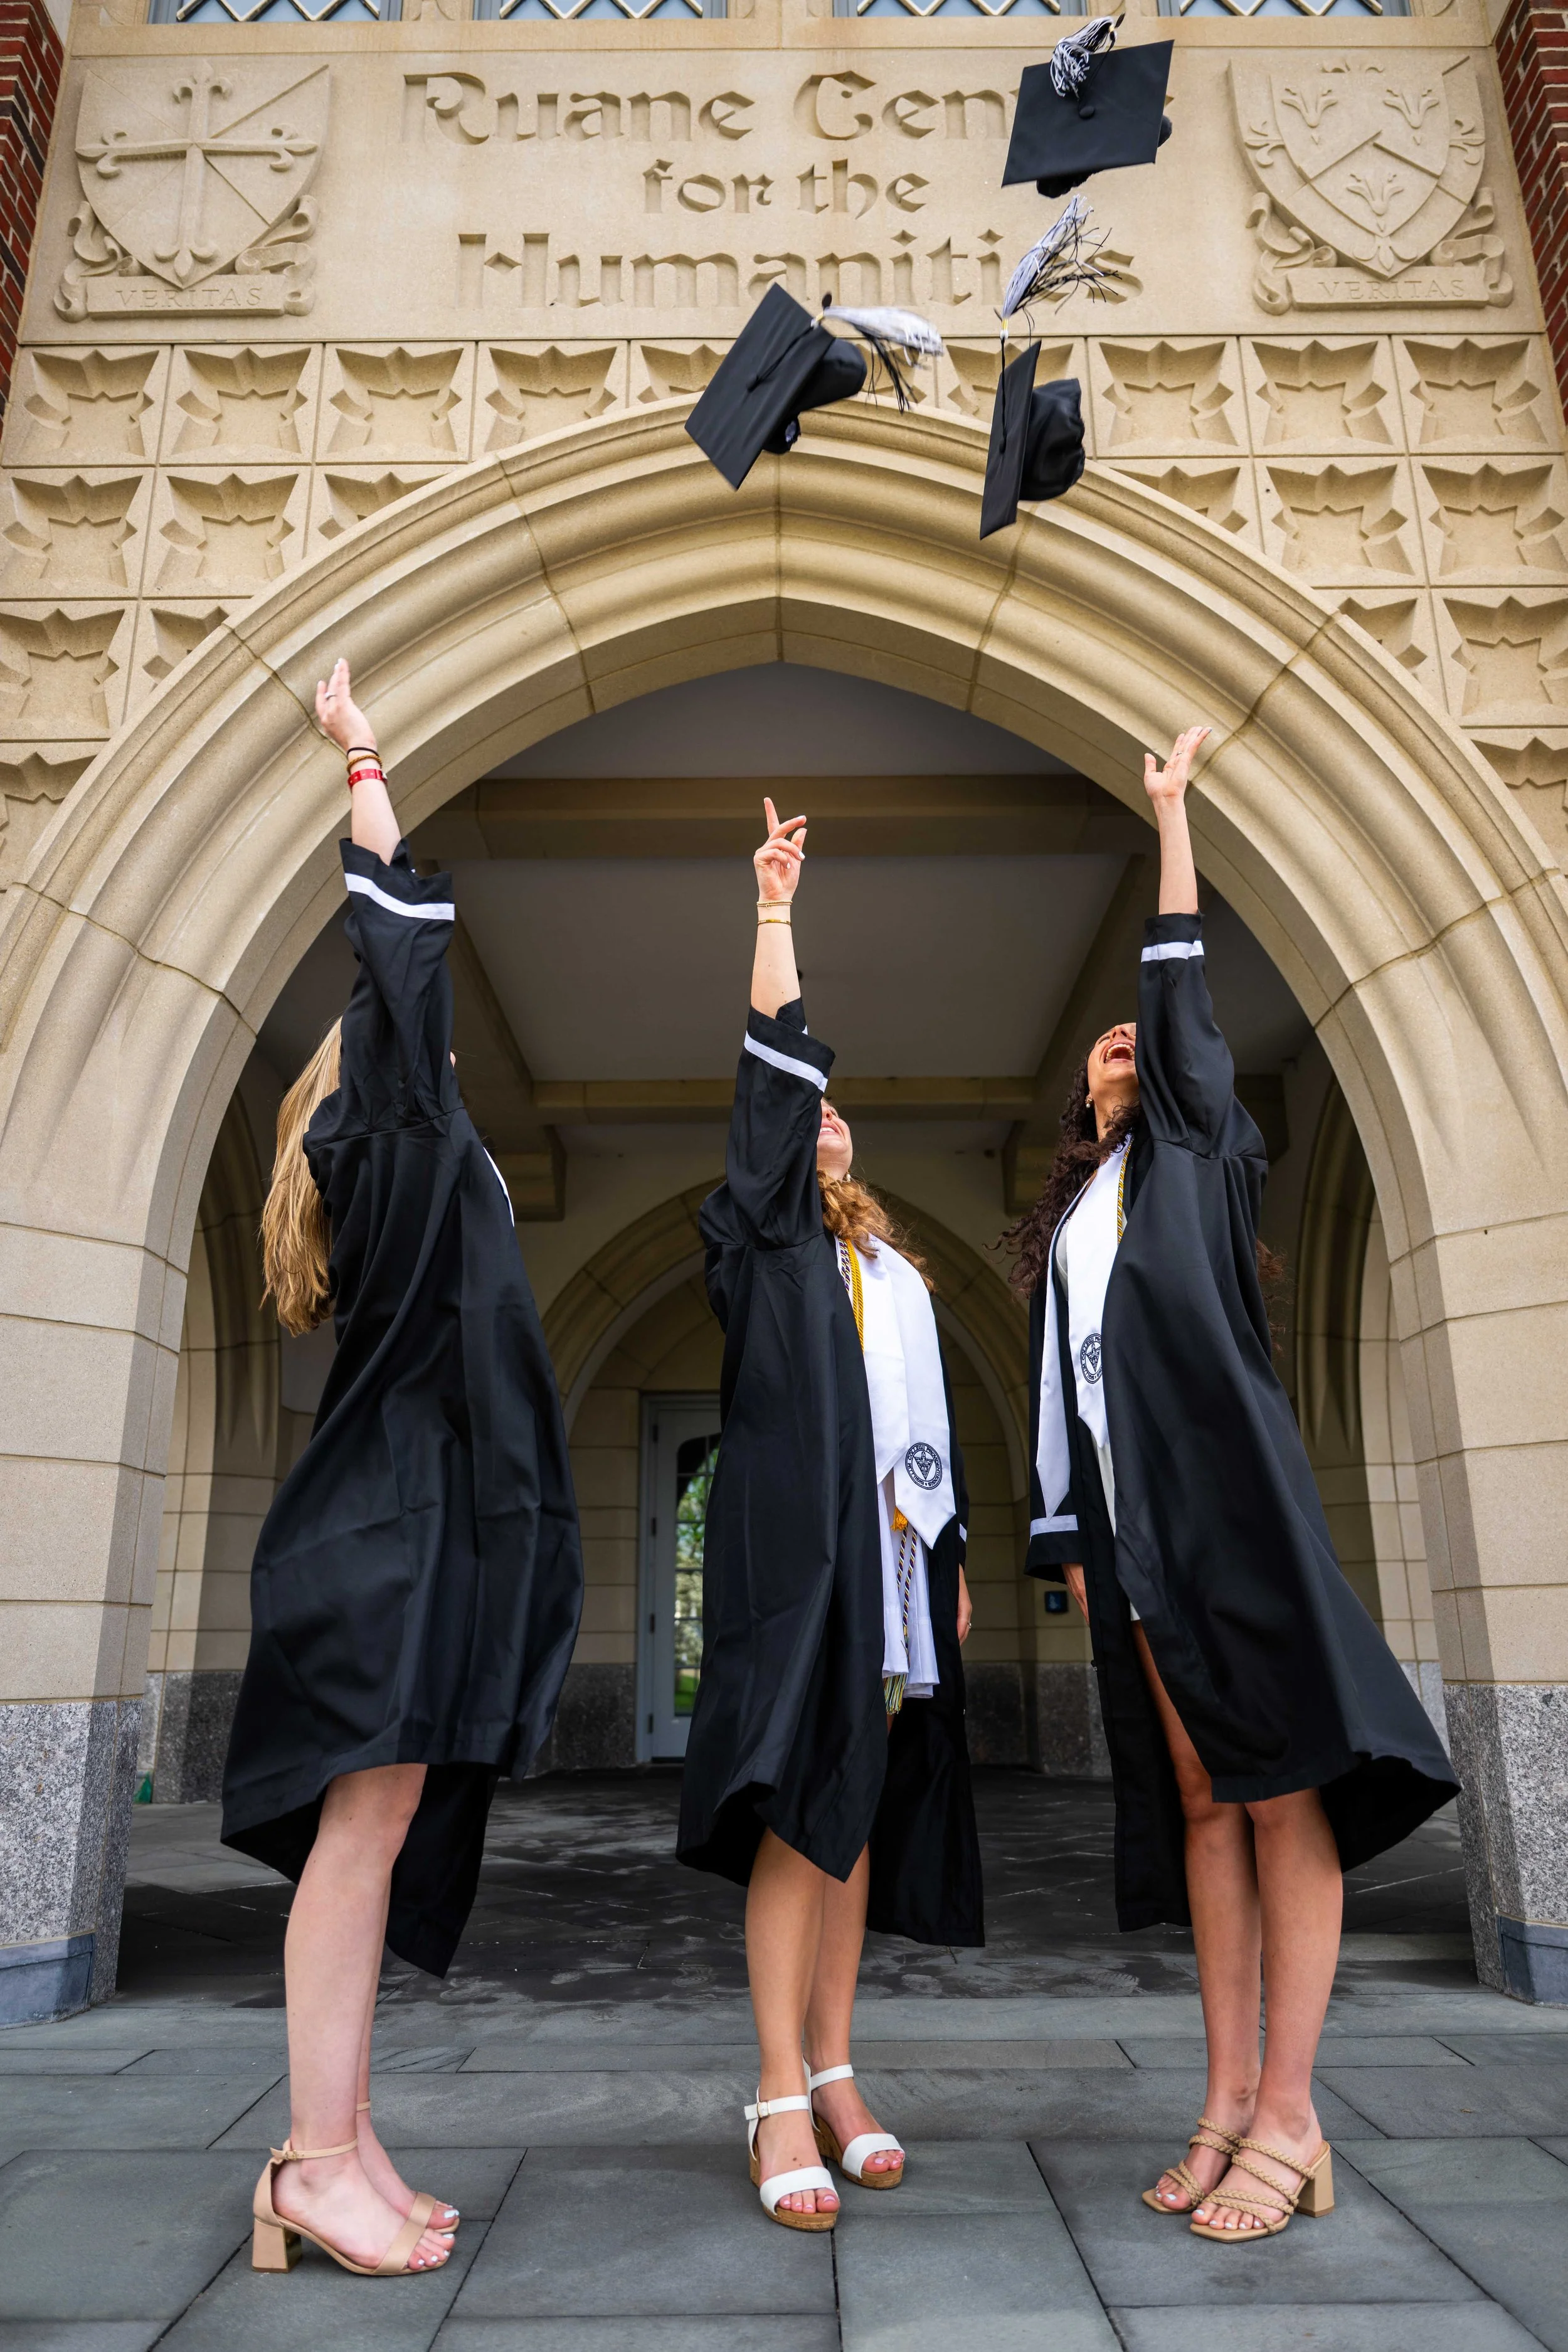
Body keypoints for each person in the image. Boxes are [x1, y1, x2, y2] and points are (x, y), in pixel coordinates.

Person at [1011, 726, 1458, 2244]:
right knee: (1201, 1797)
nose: (1123, 1043)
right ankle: (1219, 2098)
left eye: (1136, 1032)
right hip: (1133, 1539)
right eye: (1102, 1046)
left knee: (1278, 1797)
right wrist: (1065, 1533)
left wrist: (1170, 817)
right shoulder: (1081, 1212)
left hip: (1229, 1515)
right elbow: (1062, 1394)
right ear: (1079, 1101)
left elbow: (1179, 998)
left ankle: (1291, 2113)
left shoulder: (1197, 1156)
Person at [222, 660, 583, 2279]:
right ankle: (308, 2156)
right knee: (359, 1840)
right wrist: (363, 757)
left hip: (406, 1531)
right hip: (378, 1540)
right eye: (398, 1046)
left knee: (376, 1835)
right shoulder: (387, 1134)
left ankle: (350, 2135)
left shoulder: (418, 1171)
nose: (427, 1053)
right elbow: (397, 951)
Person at [677, 798, 983, 2231]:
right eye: (807, 1114)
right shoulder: (757, 1244)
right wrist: (773, 911)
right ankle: (774, 2089)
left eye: (839, 1115)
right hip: (799, 1568)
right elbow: (772, 1078)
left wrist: (953, 1554)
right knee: (800, 1821)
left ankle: (842, 2066)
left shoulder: (894, 1272)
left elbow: (926, 1425)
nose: (827, 1120)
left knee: (853, 1820)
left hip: (895, 1571)